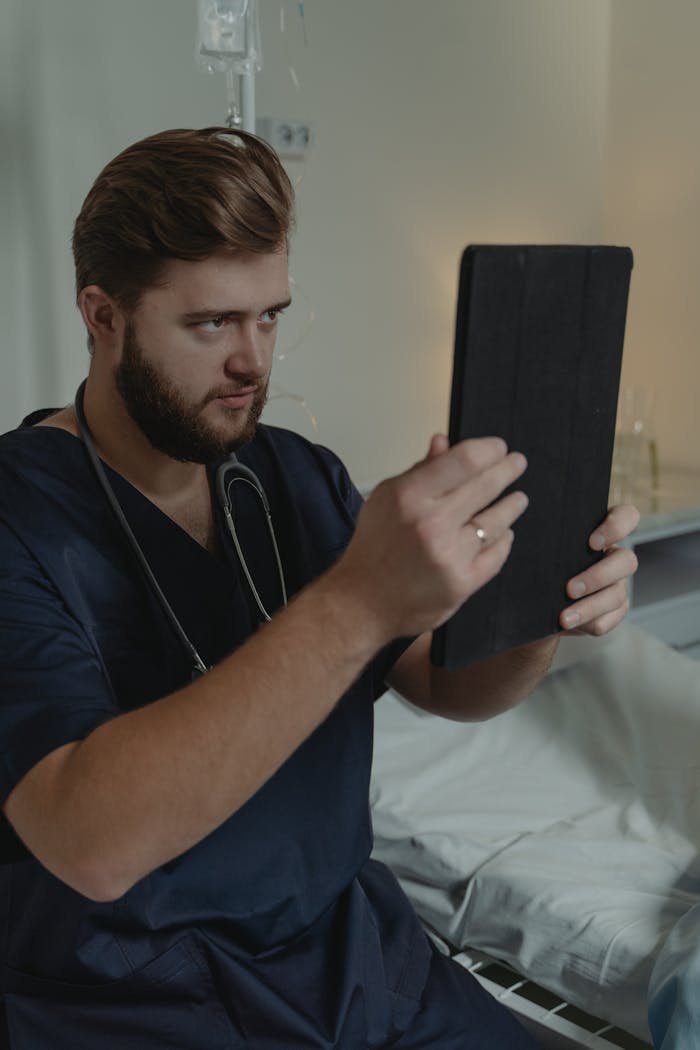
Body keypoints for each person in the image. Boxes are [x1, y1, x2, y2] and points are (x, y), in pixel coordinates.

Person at [0, 126, 639, 1049]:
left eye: (270, 316)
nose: (253, 361)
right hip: (129, 999)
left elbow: (448, 686)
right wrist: (358, 600)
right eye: (212, 322)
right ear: (103, 315)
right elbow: (88, 844)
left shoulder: (299, 477)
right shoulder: (21, 512)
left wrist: (539, 594)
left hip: (355, 967)